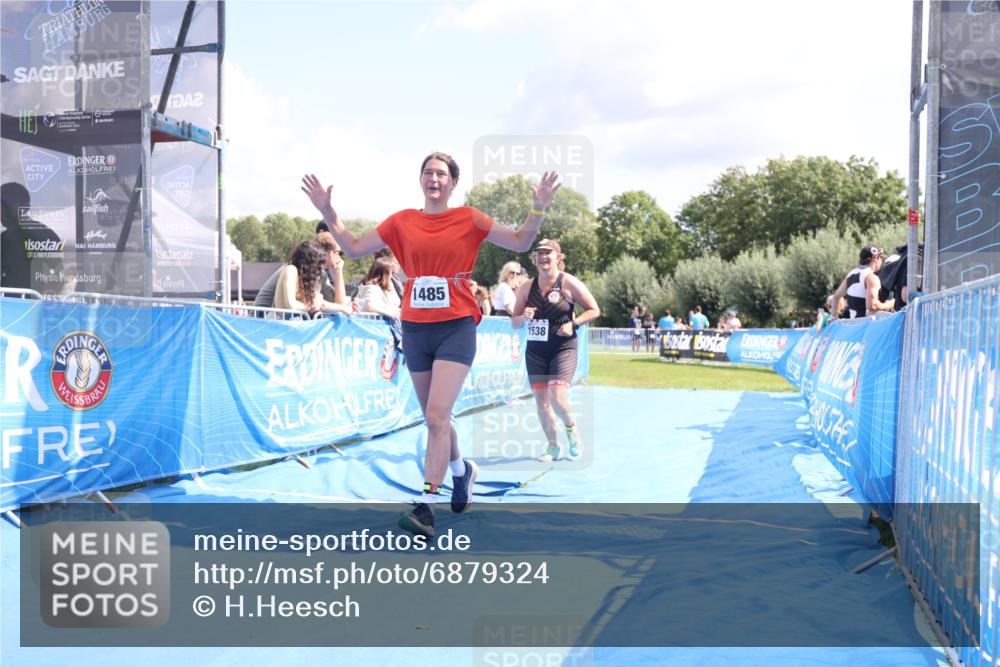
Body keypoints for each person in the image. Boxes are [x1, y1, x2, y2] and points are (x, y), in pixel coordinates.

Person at [302, 153, 560, 537]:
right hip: (416, 330)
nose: (433, 178)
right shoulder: (402, 221)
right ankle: (461, 470)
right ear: (420, 180)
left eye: (441, 173)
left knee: (438, 416)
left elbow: (522, 241)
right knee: (435, 419)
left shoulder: (469, 218)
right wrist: (328, 209)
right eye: (427, 172)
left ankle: (426, 505)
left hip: (456, 327)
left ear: (453, 183)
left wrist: (537, 207)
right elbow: (354, 248)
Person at [511, 239, 599, 462]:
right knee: (541, 401)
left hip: (563, 347)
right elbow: (515, 321)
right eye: (539, 254)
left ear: (558, 257)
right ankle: (552, 446)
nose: (543, 257)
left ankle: (571, 430)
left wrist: (574, 324)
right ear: (535, 259)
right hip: (536, 351)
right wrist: (524, 317)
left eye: (548, 253)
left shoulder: (568, 283)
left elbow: (594, 309)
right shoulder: (526, 287)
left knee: (557, 397)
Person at [255, 230, 352, 313]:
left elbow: (326, 304)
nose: (340, 257)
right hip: (262, 318)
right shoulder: (291, 270)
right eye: (339, 253)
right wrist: (315, 306)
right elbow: (292, 304)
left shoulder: (318, 274)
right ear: (328, 253)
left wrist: (344, 308)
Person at [1, 182, 64, 292]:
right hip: (6, 306)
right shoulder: (4, 239)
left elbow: (58, 273)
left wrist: (21, 219)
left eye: (3, 206)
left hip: (33, 305)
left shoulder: (42, 235)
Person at [830, 245, 895, 319]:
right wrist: (890, 304)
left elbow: (835, 297)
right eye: (880, 258)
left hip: (853, 325)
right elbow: (872, 306)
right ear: (876, 258)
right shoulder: (871, 277)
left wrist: (833, 317)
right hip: (866, 326)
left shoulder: (851, 274)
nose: (881, 261)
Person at [274, 240, 333, 314]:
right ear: (311, 263)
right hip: (278, 322)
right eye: (318, 263)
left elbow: (320, 303)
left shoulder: (306, 279)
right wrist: (312, 307)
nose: (320, 268)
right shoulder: (291, 270)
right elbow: (290, 304)